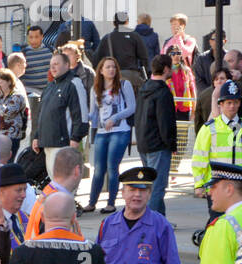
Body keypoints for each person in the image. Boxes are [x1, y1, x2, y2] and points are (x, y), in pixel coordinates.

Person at [192, 81, 242, 219]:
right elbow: (199, 159)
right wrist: (199, 184)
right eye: (228, 102)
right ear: (221, 104)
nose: (232, 106)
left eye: (235, 102)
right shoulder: (209, 129)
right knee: (217, 224)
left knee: (241, 225)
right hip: (217, 186)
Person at [83, 57, 136, 213]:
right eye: (107, 67)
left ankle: (111, 203)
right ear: (101, 70)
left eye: (113, 67)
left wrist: (115, 118)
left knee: (112, 166)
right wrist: (84, 118)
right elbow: (93, 113)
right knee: (98, 168)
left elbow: (132, 107)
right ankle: (92, 202)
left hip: (120, 131)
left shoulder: (124, 85)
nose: (111, 70)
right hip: (102, 132)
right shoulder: (95, 89)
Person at [31, 51, 88, 182]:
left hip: (64, 144)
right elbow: (42, 114)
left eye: (56, 64)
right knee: (55, 182)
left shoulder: (74, 83)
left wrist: (76, 138)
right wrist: (37, 136)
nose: (53, 67)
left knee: (65, 181)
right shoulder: (50, 86)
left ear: (67, 65)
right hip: (47, 143)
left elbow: (81, 114)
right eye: (51, 65)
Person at [135, 55, 179, 215]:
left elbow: (138, 115)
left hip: (144, 143)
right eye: (171, 67)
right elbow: (165, 122)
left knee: (150, 185)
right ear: (166, 69)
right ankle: (151, 223)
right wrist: (172, 144)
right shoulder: (163, 92)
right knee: (157, 187)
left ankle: (160, 220)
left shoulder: (144, 88)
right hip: (158, 145)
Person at [94, 11, 150, 93]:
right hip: (132, 78)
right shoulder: (135, 36)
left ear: (114, 23)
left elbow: (96, 59)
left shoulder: (107, 38)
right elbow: (144, 58)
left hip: (113, 78)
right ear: (127, 21)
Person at [0, 69, 27, 156]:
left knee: (8, 161)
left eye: (0, 82)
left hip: (11, 136)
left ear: (9, 82)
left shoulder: (17, 97)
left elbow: (7, 112)